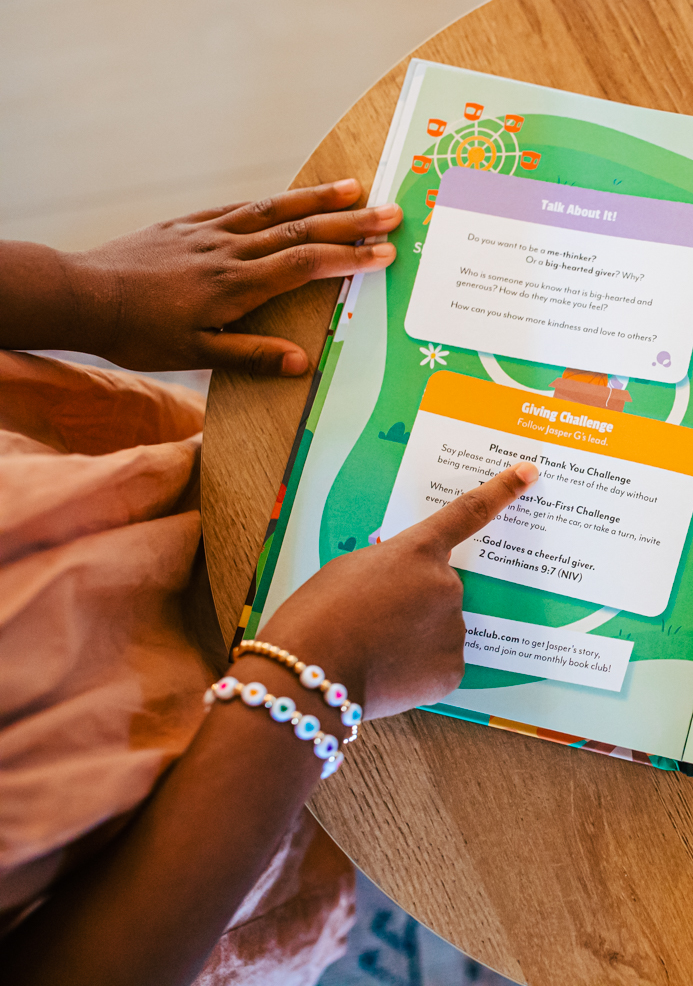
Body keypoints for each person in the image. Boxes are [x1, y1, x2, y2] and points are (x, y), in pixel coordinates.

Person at [0, 180, 537, 985]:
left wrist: (87, 295)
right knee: (380, 813)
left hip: (86, 498)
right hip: (162, 843)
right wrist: (319, 672)